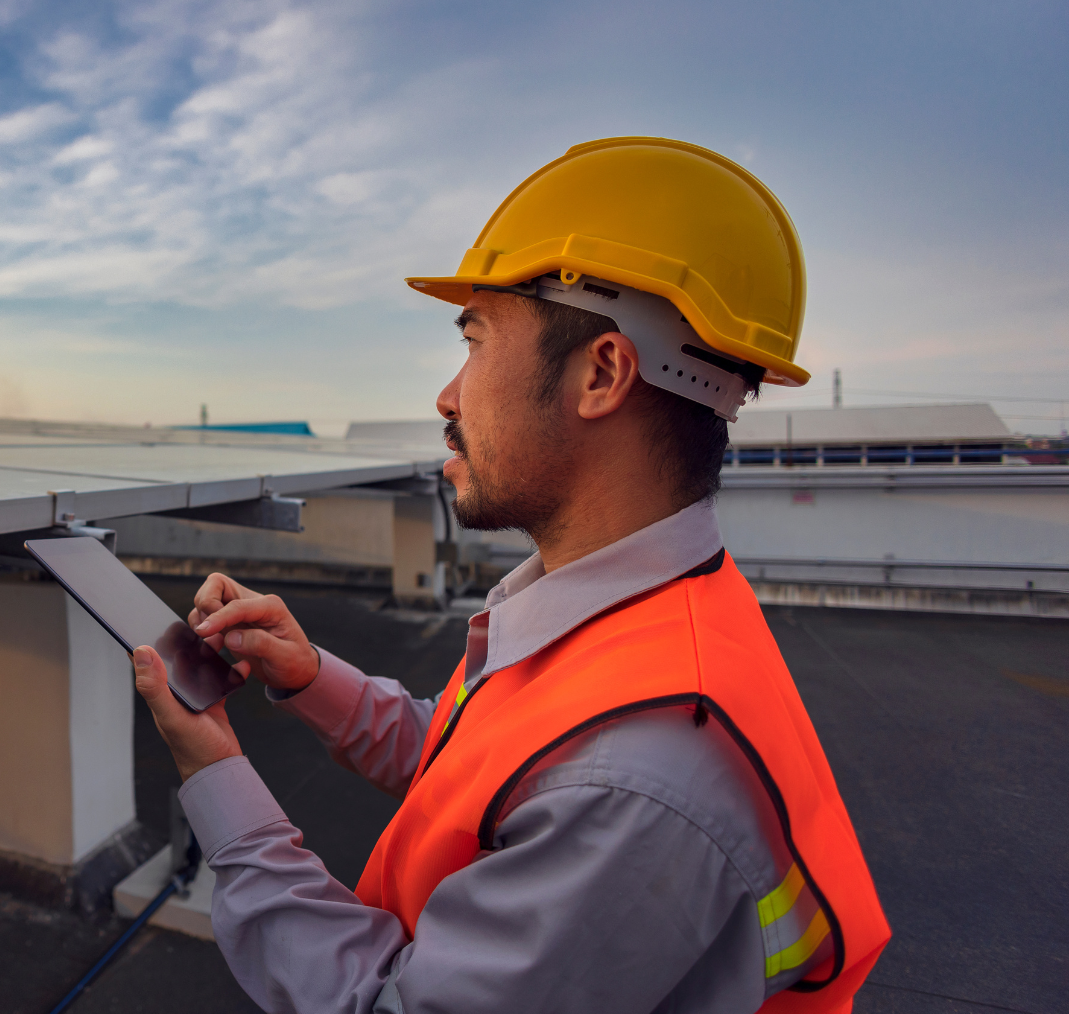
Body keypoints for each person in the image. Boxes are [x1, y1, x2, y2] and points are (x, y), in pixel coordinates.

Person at [127, 138, 890, 1013]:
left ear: (601, 372)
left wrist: (217, 773)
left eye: (476, 341)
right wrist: (309, 678)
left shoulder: (641, 771)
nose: (448, 396)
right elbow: (472, 772)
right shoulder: (633, 617)